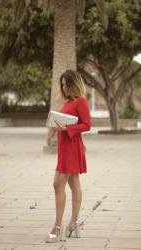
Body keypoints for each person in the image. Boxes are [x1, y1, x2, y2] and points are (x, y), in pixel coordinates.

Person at [45, 69, 91, 243]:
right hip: (65, 148)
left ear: (74, 83)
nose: (64, 87)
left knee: (58, 184)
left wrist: (67, 129)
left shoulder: (81, 101)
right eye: (62, 84)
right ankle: (74, 223)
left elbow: (87, 125)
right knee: (74, 184)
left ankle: (57, 228)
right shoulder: (68, 101)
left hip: (72, 148)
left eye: (66, 84)